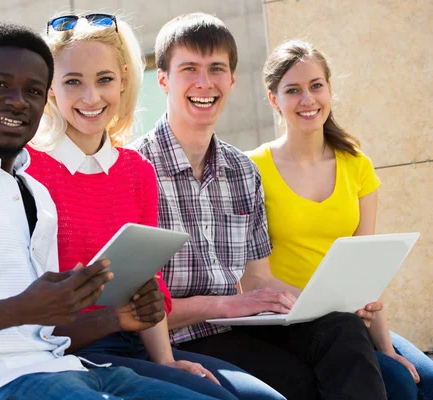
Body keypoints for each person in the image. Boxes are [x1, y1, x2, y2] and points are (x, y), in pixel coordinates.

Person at [0, 21, 222, 400]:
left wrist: (117, 318)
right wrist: (22, 308)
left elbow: (44, 330)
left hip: (71, 368)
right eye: (0, 85)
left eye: (33, 91)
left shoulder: (34, 191)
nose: (19, 101)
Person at [25, 12, 284, 400]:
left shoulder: (136, 171)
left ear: (125, 81)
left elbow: (150, 281)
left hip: (140, 343)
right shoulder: (31, 170)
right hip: (75, 352)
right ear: (49, 89)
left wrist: (165, 360)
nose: (91, 97)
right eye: (73, 82)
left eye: (105, 80)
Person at [131, 12, 388, 400]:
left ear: (232, 80)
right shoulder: (135, 169)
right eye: (190, 69)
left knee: (343, 330)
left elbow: (259, 280)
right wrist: (229, 304)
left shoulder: (241, 171)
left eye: (216, 69)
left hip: (239, 328)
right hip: (174, 341)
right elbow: (137, 309)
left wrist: (328, 302)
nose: (205, 82)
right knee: (302, 385)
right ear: (162, 78)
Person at [248, 38, 433, 400]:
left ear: (330, 89)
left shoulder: (356, 164)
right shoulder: (252, 169)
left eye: (316, 86)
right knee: (397, 386)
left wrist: (385, 345)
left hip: (349, 320)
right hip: (286, 325)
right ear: (274, 100)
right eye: (293, 90)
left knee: (425, 380)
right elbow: (253, 280)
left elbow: (367, 270)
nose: (308, 99)